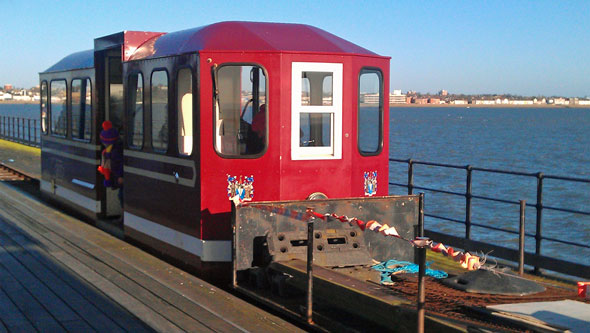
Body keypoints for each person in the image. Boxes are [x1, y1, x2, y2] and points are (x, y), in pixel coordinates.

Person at [98, 120, 124, 208]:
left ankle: (123, 215)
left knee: (121, 195)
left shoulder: (114, 152)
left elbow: (121, 163)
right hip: (116, 175)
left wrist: (120, 176)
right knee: (120, 194)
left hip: (119, 176)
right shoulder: (110, 150)